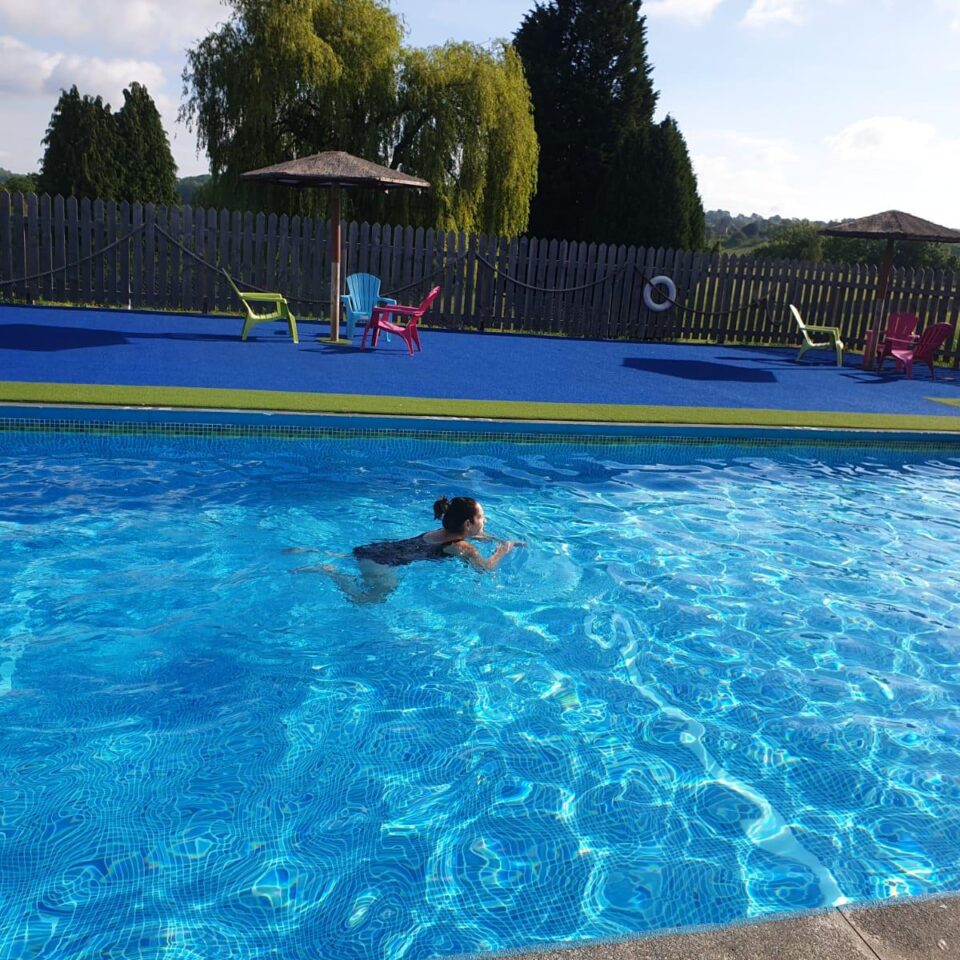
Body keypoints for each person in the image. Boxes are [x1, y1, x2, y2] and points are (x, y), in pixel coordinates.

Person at [290, 496, 525, 604]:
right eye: (481, 518)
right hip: (382, 567)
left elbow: (473, 533)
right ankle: (330, 571)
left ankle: (316, 551)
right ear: (467, 525)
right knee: (368, 600)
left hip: (373, 550)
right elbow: (485, 569)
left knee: (353, 559)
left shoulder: (439, 532)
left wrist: (488, 536)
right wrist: (504, 548)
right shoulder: (463, 548)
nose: (485, 521)